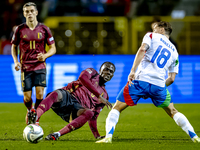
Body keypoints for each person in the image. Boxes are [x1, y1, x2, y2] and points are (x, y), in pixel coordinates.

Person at [96, 21, 200, 143]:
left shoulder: (151, 35)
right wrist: (156, 87)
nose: (154, 29)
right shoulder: (175, 53)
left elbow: (142, 50)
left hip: (140, 81)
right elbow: (171, 78)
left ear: (162, 30)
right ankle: (195, 137)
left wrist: (132, 70)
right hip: (159, 86)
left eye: (156, 28)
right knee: (173, 111)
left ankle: (108, 137)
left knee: (117, 108)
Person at [29, 62, 115, 140]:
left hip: (76, 110)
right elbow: (82, 78)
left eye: (111, 72)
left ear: (112, 76)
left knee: (89, 113)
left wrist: (97, 136)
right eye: (106, 69)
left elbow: (94, 117)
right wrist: (98, 95)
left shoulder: (105, 96)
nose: (108, 73)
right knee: (56, 94)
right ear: (100, 70)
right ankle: (35, 116)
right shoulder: (92, 73)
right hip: (68, 96)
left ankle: (57, 134)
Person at [11, 2, 56, 125]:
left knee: (40, 94)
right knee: (27, 97)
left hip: (40, 66)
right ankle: (29, 109)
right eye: (27, 11)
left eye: (32, 11)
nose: (29, 13)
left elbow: (53, 48)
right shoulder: (19, 29)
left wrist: (45, 56)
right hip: (25, 67)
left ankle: (35, 113)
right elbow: (13, 47)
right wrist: (15, 61)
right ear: (24, 14)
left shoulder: (44, 29)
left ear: (36, 12)